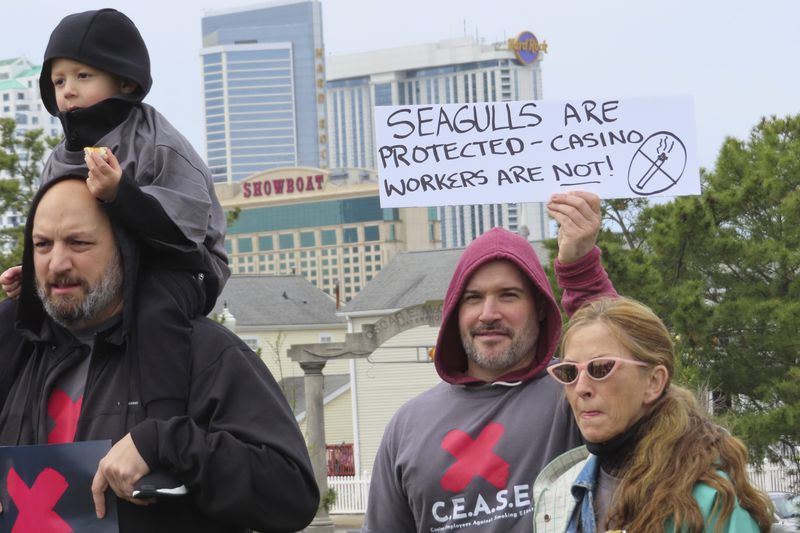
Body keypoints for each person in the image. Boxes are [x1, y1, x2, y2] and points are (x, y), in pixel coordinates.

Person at [0, 176, 318, 532]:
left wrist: (169, 445)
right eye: (42, 245)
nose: (58, 263)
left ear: (124, 248)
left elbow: (292, 495)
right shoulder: (15, 357)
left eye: (79, 242)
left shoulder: (204, 353)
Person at [0, 8, 229, 419]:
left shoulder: (159, 142)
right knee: (11, 317)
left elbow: (187, 231)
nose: (67, 90)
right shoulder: (57, 160)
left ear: (125, 81)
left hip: (182, 268)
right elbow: (50, 231)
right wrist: (32, 272)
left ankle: (163, 433)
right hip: (97, 275)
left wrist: (122, 194)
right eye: (58, 80)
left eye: (82, 76)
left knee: (155, 309)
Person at [361, 192, 618, 533]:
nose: (488, 314)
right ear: (455, 311)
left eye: (508, 295)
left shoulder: (571, 391)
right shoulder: (407, 425)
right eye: (473, 298)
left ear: (540, 307)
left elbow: (623, 364)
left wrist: (580, 267)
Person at [532, 296, 773, 532]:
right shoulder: (559, 492)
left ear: (654, 382)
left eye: (600, 368)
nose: (581, 388)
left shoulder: (710, 499)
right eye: (569, 372)